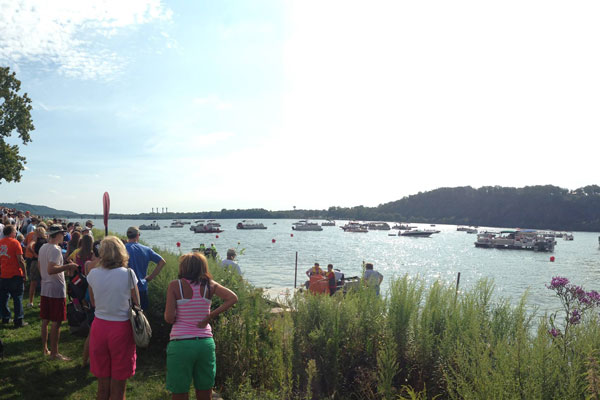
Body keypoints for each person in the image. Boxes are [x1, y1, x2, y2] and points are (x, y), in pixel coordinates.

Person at [164, 252, 238, 400]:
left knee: (179, 391)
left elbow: (169, 318)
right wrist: (209, 316)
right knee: (205, 391)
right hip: (205, 343)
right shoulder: (210, 285)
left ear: (183, 267)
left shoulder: (175, 285)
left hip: (181, 343)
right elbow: (232, 298)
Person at [87, 236, 139, 400]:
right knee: (118, 387)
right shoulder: (129, 274)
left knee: (102, 386)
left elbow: (93, 302)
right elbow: (137, 303)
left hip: (99, 327)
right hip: (121, 328)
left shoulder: (93, 274)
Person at [38, 224, 78, 359]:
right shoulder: (55, 249)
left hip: (45, 286)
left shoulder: (43, 247)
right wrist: (69, 266)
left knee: (45, 319)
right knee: (57, 321)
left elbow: (41, 267)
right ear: (57, 235)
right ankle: (54, 353)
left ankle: (44, 348)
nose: (64, 236)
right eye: (62, 233)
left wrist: (48, 275)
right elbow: (51, 269)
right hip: (55, 289)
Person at [125, 226, 166, 310]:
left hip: (126, 288)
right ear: (138, 235)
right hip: (142, 287)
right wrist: (150, 277)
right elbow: (162, 262)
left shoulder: (122, 249)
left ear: (127, 236)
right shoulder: (146, 249)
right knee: (142, 315)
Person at [0, 225, 28, 327]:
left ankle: (5, 317)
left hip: (3, 274)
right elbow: (20, 259)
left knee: (3, 297)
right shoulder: (15, 242)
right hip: (15, 274)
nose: (16, 233)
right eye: (15, 231)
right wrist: (25, 273)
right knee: (17, 297)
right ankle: (18, 320)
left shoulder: (1, 243)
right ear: (12, 232)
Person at [82, 240, 101, 367]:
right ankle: (95, 360)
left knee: (91, 331)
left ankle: (84, 361)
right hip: (98, 297)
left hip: (89, 296)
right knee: (95, 333)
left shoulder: (88, 264)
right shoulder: (104, 265)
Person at [26, 226, 47, 308]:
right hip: (44, 262)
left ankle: (31, 301)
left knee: (33, 282)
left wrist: (34, 254)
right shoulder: (46, 241)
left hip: (35, 262)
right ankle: (42, 302)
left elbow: (29, 246)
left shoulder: (36, 241)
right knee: (43, 282)